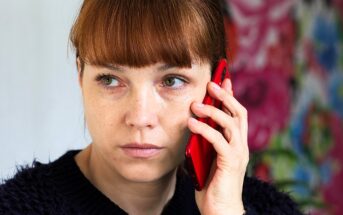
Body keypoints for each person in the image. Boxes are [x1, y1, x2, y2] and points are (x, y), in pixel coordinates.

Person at [0, 0, 304, 214]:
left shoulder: (265, 208)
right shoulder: (17, 207)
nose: (140, 117)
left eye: (172, 81)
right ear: (80, 76)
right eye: (110, 79)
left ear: (217, 84)